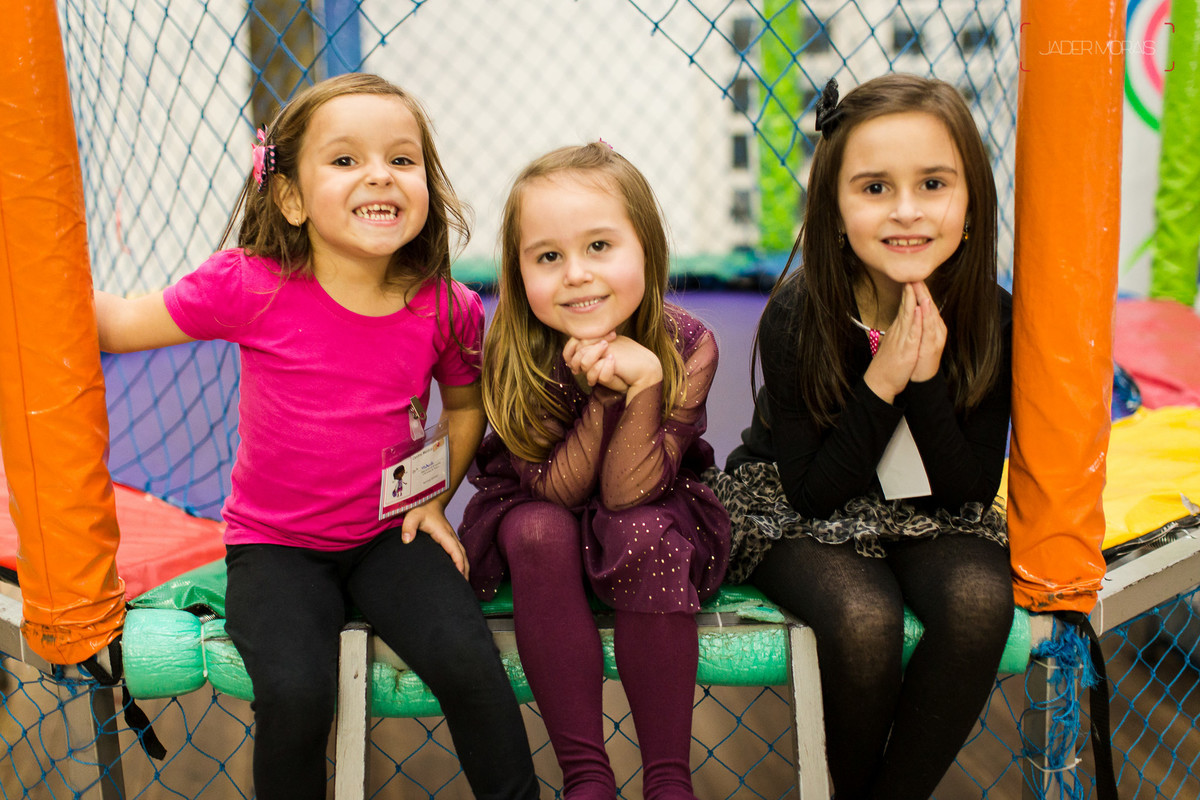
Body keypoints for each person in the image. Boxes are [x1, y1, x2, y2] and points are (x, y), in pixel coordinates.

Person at [94, 73, 539, 800]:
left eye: (402, 160)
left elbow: (465, 411)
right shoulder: (250, 286)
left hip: (387, 537)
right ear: (292, 198)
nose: (379, 175)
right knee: (298, 693)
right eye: (345, 160)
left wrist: (434, 498)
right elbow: (116, 325)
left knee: (469, 662)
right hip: (275, 549)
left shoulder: (445, 306)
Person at [706, 75, 1014, 800]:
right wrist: (883, 382)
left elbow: (968, 486)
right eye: (875, 188)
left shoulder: (992, 316)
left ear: (971, 204)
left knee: (978, 601)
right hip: (799, 500)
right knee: (863, 616)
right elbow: (814, 493)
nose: (906, 211)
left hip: (932, 505)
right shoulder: (799, 313)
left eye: (933, 184)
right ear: (835, 209)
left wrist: (929, 378)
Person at [459, 142, 730, 800]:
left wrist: (643, 387)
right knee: (538, 533)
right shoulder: (513, 346)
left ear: (647, 251)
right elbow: (555, 488)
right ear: (520, 270)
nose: (575, 274)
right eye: (549, 257)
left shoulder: (687, 343)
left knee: (644, 532)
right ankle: (587, 777)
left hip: (650, 493)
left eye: (600, 247)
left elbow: (630, 492)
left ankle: (669, 778)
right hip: (539, 495)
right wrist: (608, 397)